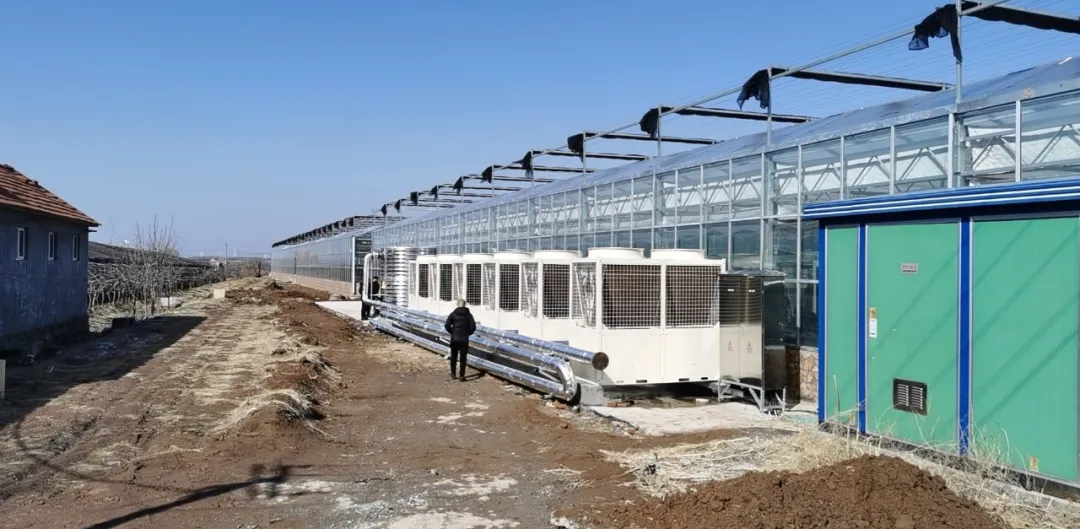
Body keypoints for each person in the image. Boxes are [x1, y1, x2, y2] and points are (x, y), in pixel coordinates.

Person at [443, 299, 477, 381]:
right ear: (465, 305)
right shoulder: (469, 315)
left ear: (457, 304)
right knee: (463, 358)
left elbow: (447, 325)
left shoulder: (453, 314)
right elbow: (473, 327)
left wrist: (452, 332)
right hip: (464, 339)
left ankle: (453, 373)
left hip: (454, 339)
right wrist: (468, 333)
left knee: (453, 356)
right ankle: (462, 376)